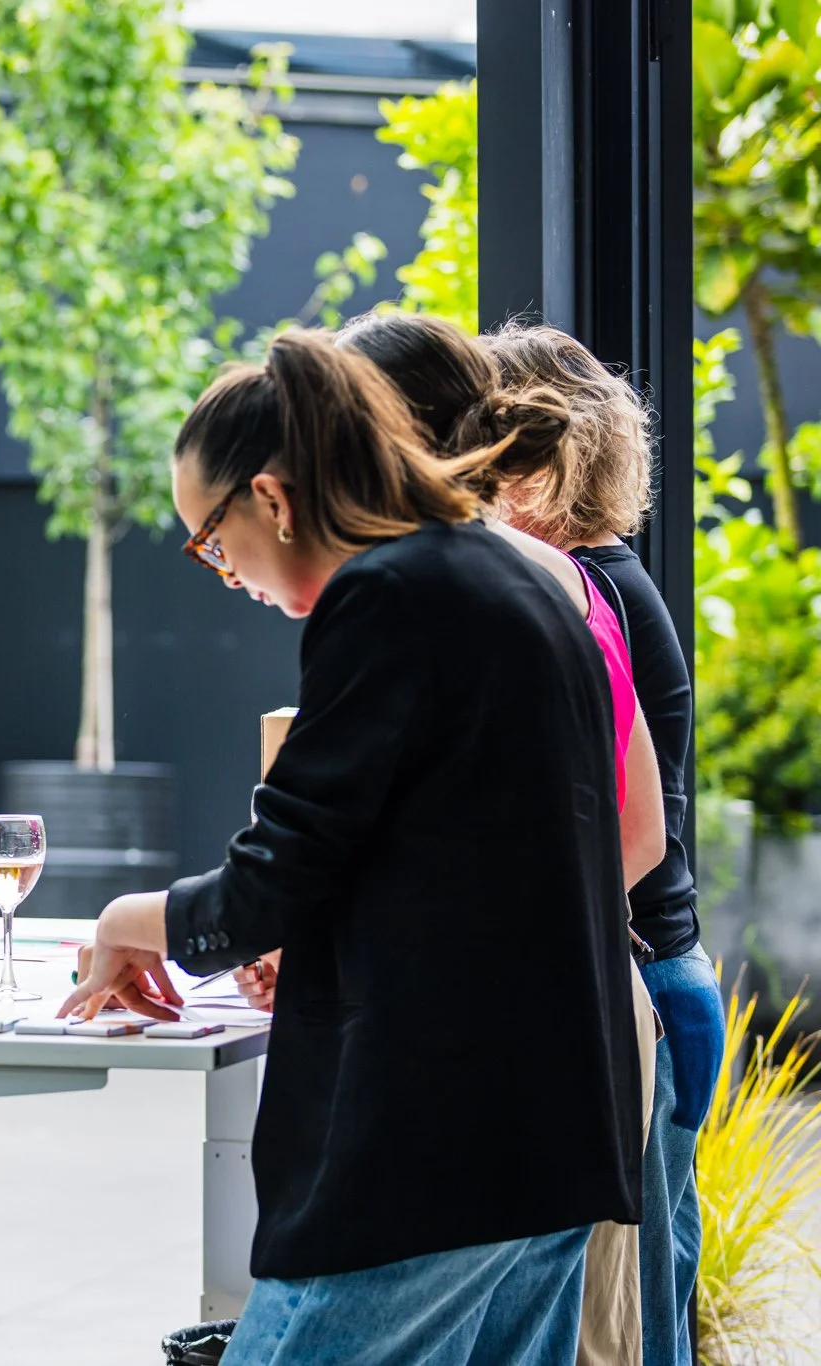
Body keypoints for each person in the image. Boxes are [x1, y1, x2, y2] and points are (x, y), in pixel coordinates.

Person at [62, 330, 641, 1365]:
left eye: (209, 539)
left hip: (430, 1157)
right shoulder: (515, 580)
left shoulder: (387, 596)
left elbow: (275, 876)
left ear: (271, 498)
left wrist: (123, 919)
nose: (221, 571)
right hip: (549, 1145)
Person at [334, 309, 667, 1366]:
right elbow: (635, 827)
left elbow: (622, 837)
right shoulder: (558, 579)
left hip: (547, 1017)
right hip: (603, 999)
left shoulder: (479, 590)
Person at [491, 320, 728, 1366]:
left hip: (643, 991)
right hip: (668, 979)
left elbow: (630, 838)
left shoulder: (580, 591)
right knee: (645, 1309)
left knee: (630, 1326)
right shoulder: (609, 577)